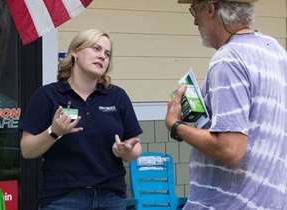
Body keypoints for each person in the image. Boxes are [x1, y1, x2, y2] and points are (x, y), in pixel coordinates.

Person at [166, 0, 287, 209]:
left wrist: (176, 125)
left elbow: (230, 148)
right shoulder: (276, 51)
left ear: (211, 9)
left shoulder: (228, 59)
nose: (194, 21)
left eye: (195, 9)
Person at [20, 29, 143, 210]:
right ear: (75, 53)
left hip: (110, 198)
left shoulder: (117, 96)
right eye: (96, 49)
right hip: (63, 199)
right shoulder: (48, 95)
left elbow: (135, 147)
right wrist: (54, 132)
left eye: (107, 54)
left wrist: (125, 151)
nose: (102, 56)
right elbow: (27, 150)